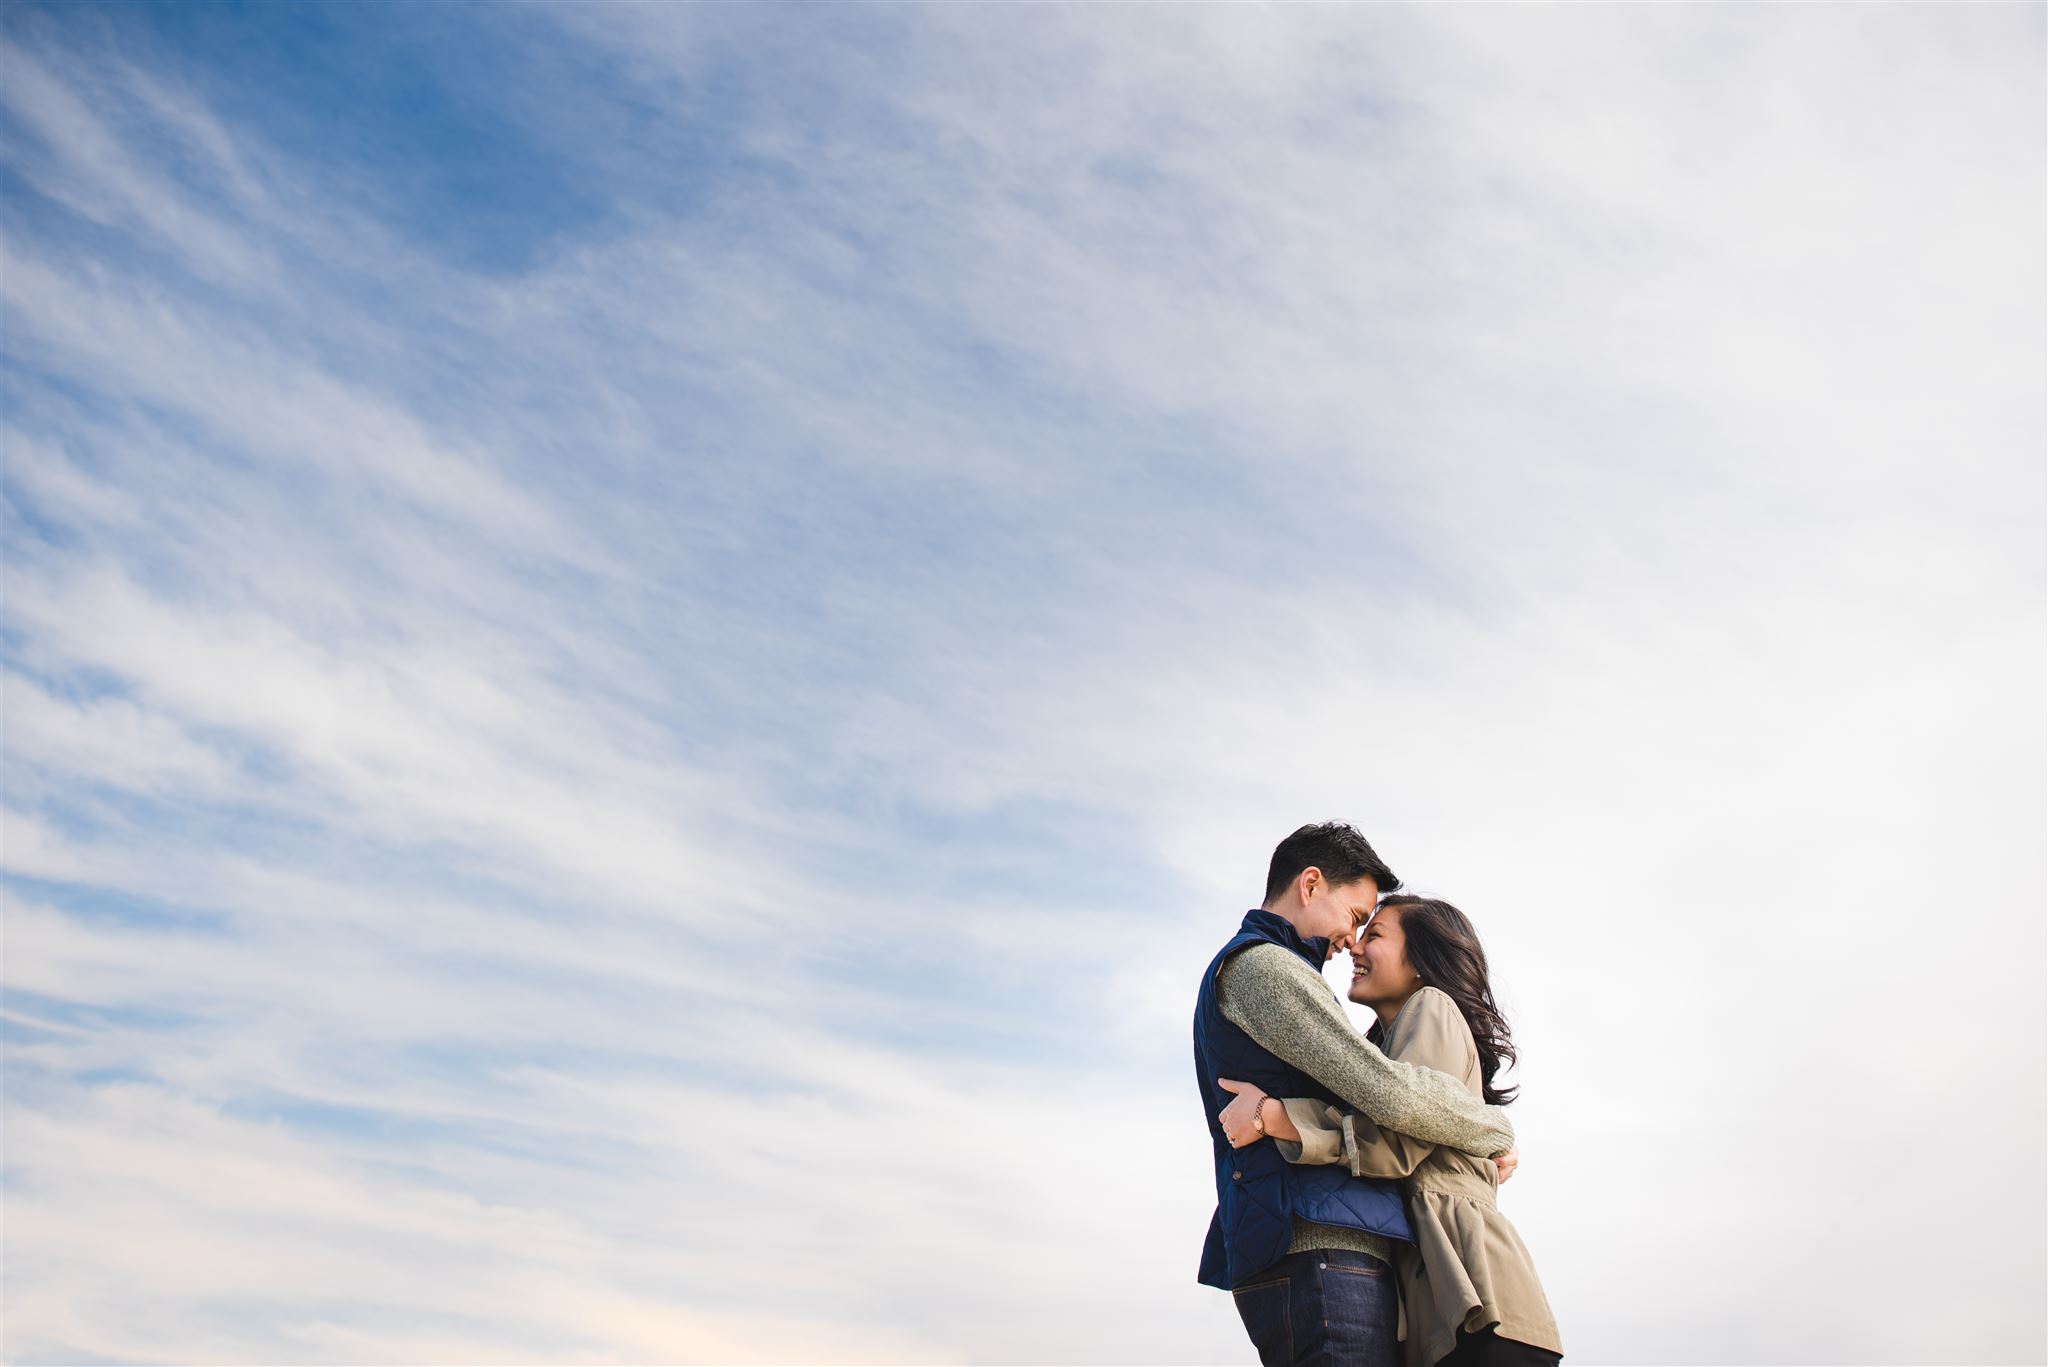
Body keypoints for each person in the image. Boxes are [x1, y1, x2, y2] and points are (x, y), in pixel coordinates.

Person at [1193, 823, 1518, 1367]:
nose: (1352, 941)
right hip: (1317, 1246)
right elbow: (1389, 1095)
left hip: (1324, 1242)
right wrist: (1492, 1130)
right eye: (1356, 917)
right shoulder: (1266, 969)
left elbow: (1377, 1108)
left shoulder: (1281, 969)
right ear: (1312, 884)